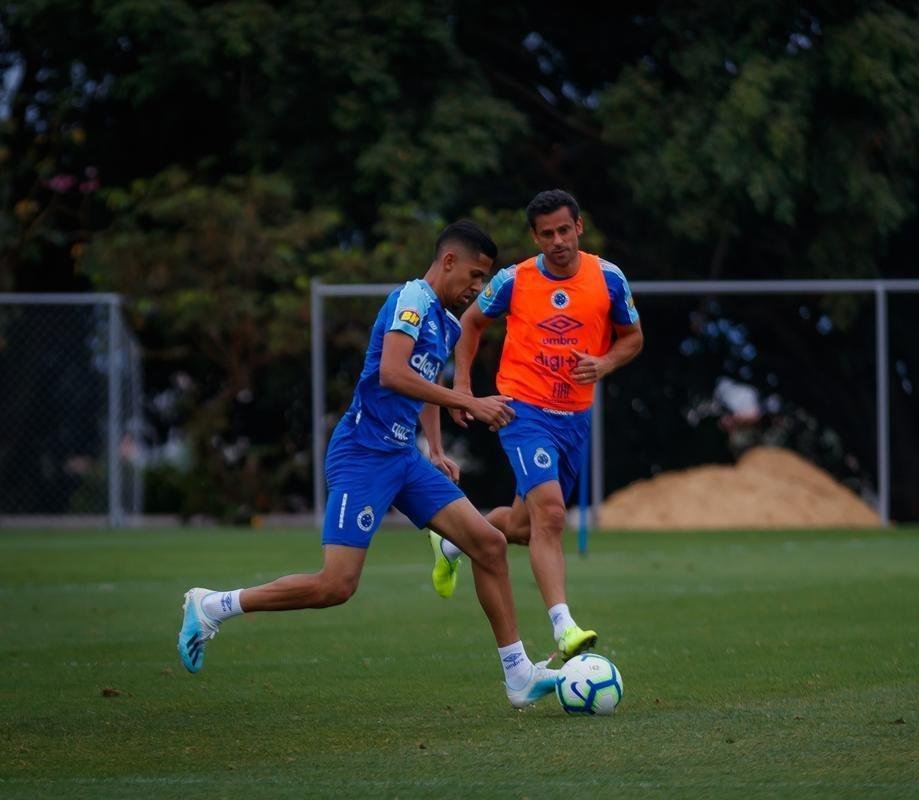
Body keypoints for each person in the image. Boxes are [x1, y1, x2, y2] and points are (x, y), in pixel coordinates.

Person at [177, 221, 561, 708]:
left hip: (403, 456)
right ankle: (212, 606)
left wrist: (436, 450)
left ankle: (518, 675)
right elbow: (393, 373)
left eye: (484, 280)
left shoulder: (442, 321)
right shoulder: (412, 301)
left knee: (488, 544)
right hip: (363, 454)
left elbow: (420, 386)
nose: (477, 289)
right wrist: (474, 401)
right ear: (448, 261)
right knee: (336, 585)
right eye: (475, 275)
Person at [428, 190, 643, 660]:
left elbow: (633, 338)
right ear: (535, 237)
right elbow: (469, 323)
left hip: (574, 419)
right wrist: (462, 385)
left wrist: (605, 363)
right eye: (546, 234)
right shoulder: (513, 280)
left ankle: (454, 542)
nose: (557, 241)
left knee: (526, 526)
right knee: (551, 514)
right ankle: (564, 627)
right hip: (522, 410)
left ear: (578, 227)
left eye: (564, 230)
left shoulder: (608, 278)